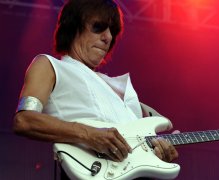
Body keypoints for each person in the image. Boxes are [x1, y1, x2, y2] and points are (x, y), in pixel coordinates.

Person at [13, 0, 178, 178]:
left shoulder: (117, 89)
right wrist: (88, 134)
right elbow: (24, 120)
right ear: (73, 26)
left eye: (112, 31)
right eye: (99, 27)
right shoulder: (50, 66)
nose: (108, 37)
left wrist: (160, 152)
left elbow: (147, 138)